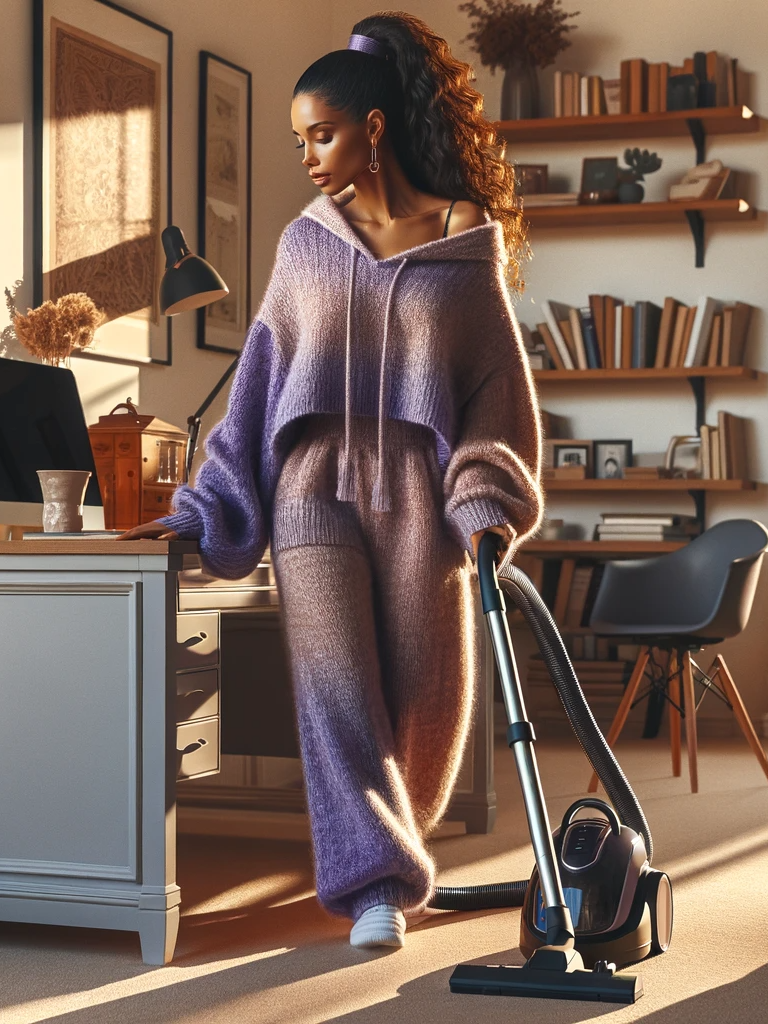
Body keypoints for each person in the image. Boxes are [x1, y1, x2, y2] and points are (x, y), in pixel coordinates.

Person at [121, 12, 544, 952]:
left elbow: (492, 395)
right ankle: (377, 888)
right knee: (336, 687)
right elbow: (260, 387)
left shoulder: (464, 237)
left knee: (430, 698)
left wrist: (482, 500)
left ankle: (395, 852)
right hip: (312, 490)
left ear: (375, 128)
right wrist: (199, 509)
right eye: (298, 138)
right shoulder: (303, 245)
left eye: (321, 134)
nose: (308, 156)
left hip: (421, 501)